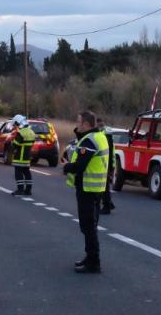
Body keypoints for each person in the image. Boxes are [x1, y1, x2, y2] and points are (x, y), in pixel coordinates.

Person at [63, 111, 109, 273]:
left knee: (88, 226)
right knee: (91, 226)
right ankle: (90, 257)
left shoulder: (90, 141)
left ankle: (93, 261)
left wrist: (66, 167)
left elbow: (80, 165)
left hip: (88, 188)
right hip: (96, 188)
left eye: (79, 123)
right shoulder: (98, 136)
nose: (77, 125)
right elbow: (80, 141)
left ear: (87, 125)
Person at [9, 115, 36, 196]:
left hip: (19, 157)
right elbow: (31, 144)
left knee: (18, 173)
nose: (15, 126)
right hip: (27, 157)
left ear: (19, 123)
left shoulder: (21, 133)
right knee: (27, 172)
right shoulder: (32, 132)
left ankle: (20, 190)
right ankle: (28, 190)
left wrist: (12, 140)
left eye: (15, 124)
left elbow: (14, 146)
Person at [96, 118, 116, 215]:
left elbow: (106, 152)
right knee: (104, 186)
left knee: (104, 187)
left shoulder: (105, 135)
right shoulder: (106, 133)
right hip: (108, 164)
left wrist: (109, 168)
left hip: (105, 164)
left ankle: (106, 206)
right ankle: (109, 203)